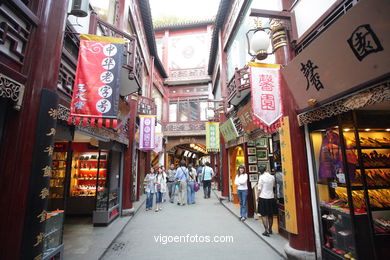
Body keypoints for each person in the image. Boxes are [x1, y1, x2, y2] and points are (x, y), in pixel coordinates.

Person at [257, 166, 276, 236]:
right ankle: (270, 229)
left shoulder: (261, 177)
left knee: (264, 214)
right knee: (270, 215)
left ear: (260, 171)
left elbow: (259, 189)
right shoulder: (272, 177)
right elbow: (273, 186)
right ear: (266, 170)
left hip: (263, 197)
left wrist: (257, 197)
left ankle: (266, 230)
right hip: (271, 196)